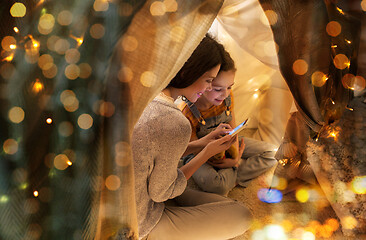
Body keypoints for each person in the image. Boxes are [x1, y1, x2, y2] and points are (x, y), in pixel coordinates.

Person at [132, 34, 252, 240]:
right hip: (140, 223)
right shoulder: (173, 119)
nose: (208, 88)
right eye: (208, 81)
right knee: (243, 215)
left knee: (220, 198)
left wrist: (200, 144)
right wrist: (205, 153)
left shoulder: (142, 93)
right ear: (189, 71)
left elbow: (153, 148)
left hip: (137, 194)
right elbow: (161, 193)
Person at [179, 46, 278, 196]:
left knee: (274, 153)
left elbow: (233, 127)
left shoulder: (227, 97)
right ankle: (232, 176)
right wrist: (232, 161)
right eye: (218, 89)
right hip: (201, 154)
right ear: (204, 84)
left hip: (227, 143)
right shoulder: (187, 111)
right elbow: (197, 150)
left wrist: (235, 156)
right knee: (216, 184)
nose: (225, 94)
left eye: (229, 87)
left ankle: (232, 177)